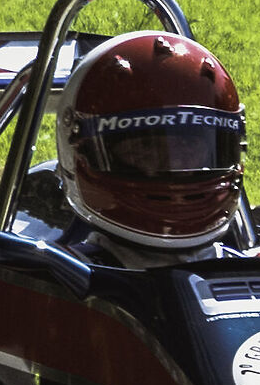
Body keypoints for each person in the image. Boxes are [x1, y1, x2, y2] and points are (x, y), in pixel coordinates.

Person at [50, 30, 246, 267]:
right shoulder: (56, 278)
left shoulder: (255, 271)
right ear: (81, 148)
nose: (174, 162)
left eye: (189, 144)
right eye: (144, 148)